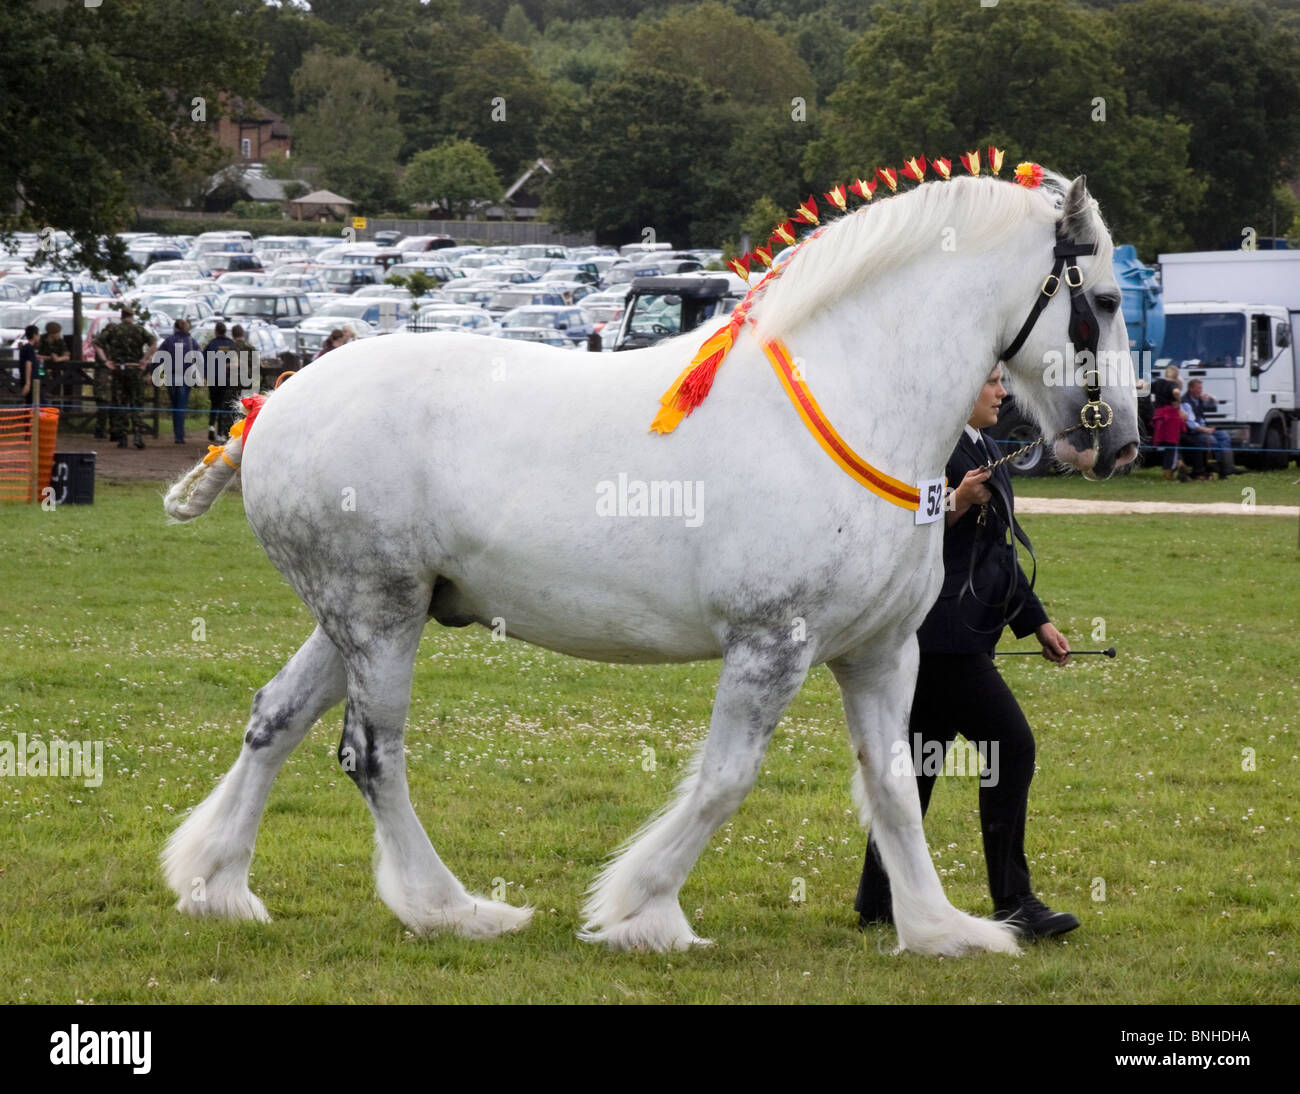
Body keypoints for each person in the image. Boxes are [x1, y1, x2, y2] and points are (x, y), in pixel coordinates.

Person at [856, 362, 1079, 940]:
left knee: (921, 763)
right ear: (964, 386)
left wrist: (1037, 622)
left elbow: (996, 548)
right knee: (1011, 747)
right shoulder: (932, 442)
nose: (1004, 393)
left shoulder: (982, 442)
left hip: (959, 632)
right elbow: (904, 521)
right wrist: (955, 499)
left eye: (1004, 382)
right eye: (994, 382)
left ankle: (879, 897)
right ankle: (1013, 901)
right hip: (942, 634)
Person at [94, 307, 155, 448]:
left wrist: (105, 361)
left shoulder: (113, 329)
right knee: (136, 403)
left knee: (120, 403)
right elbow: (153, 343)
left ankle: (122, 438)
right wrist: (144, 359)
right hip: (135, 369)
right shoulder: (139, 330)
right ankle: (138, 435)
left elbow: (97, 343)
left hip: (118, 370)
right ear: (132, 316)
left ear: (121, 316)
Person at [154, 318, 201, 444]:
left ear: (175, 328)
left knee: (175, 406)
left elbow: (159, 358)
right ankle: (179, 435)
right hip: (186, 377)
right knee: (181, 406)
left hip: (171, 377)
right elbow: (200, 360)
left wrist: (154, 373)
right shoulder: (192, 342)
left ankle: (178, 433)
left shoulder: (169, 341)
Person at [1181, 379, 1240, 479]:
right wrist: (1206, 430)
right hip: (1193, 433)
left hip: (1204, 428)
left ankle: (1227, 466)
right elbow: (1191, 424)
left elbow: (1214, 404)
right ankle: (1221, 469)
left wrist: (1210, 397)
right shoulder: (1186, 402)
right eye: (1198, 388)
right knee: (1213, 441)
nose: (1201, 390)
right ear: (1191, 389)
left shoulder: (1199, 399)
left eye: (1201, 388)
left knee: (1224, 436)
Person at [1149, 364, 1189, 482]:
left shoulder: (1157, 383)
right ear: (1176, 375)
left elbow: (1144, 387)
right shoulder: (1173, 384)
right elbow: (1176, 392)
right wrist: (1178, 399)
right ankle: (1169, 473)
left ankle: (1174, 467)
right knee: (1171, 446)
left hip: (1159, 416)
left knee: (1163, 444)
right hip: (1171, 417)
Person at [204, 321, 237, 442]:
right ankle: (219, 433)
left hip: (213, 378)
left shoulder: (212, 344)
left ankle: (211, 426)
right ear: (225, 331)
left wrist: (205, 375)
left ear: (216, 331)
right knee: (224, 406)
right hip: (226, 379)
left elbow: (203, 361)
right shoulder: (231, 344)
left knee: (214, 404)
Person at [16, 325, 41, 404]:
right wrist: (28, 384)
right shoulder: (28, 348)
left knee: (31, 403)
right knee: (38, 404)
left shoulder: (27, 348)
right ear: (34, 335)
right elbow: (28, 364)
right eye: (38, 334)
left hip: (32, 381)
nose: (39, 336)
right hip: (32, 381)